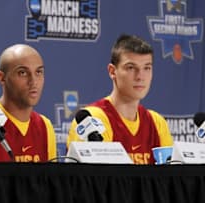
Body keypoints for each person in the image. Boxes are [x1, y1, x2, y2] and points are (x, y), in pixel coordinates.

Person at [67, 34, 173, 164]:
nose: (140, 76)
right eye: (130, 68)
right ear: (112, 71)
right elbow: (94, 181)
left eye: (147, 68)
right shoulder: (93, 119)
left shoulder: (157, 122)